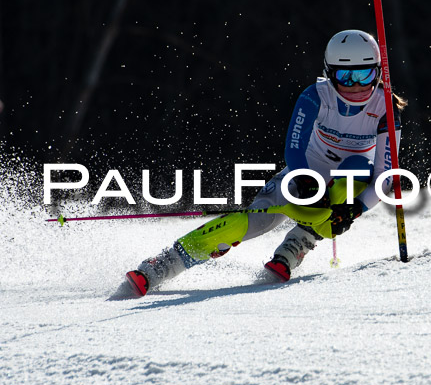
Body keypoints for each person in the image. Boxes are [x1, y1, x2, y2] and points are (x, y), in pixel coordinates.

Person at [120, 29, 406, 298]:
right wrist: (305, 180)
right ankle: (163, 265)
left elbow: (385, 176)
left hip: (351, 179)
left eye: (364, 74)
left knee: (353, 175)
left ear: (378, 72)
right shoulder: (315, 96)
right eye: (345, 75)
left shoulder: (386, 109)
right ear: (330, 73)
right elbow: (294, 148)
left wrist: (358, 208)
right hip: (306, 169)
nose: (355, 85)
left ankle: (296, 246)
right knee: (257, 220)